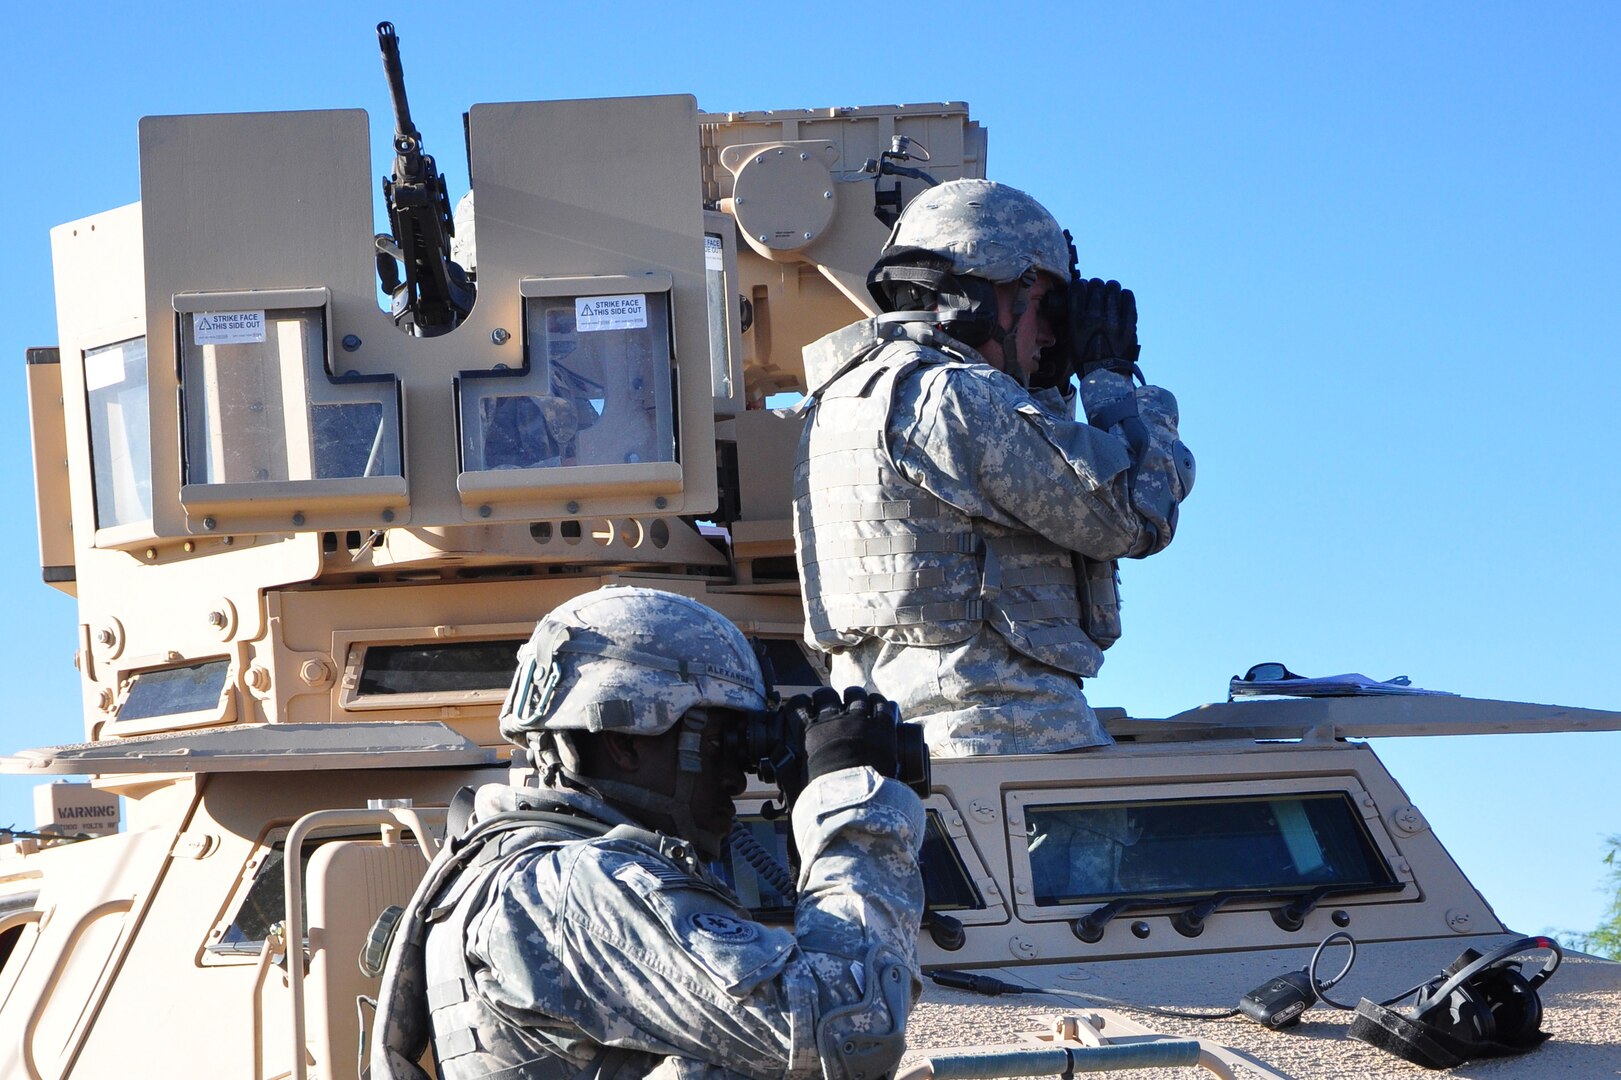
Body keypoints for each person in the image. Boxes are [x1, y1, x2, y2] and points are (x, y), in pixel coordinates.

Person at [371, 585, 926, 1080]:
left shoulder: (519, 871)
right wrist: (851, 798)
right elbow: (850, 1028)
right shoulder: (578, 886)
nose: (736, 775)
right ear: (626, 742)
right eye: (721, 740)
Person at [793, 179, 1195, 756]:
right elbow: (1135, 512)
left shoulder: (841, 398)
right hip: (1007, 736)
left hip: (904, 741)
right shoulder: (957, 395)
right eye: (1046, 305)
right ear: (986, 295)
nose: (1056, 332)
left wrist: (1051, 383)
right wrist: (1111, 379)